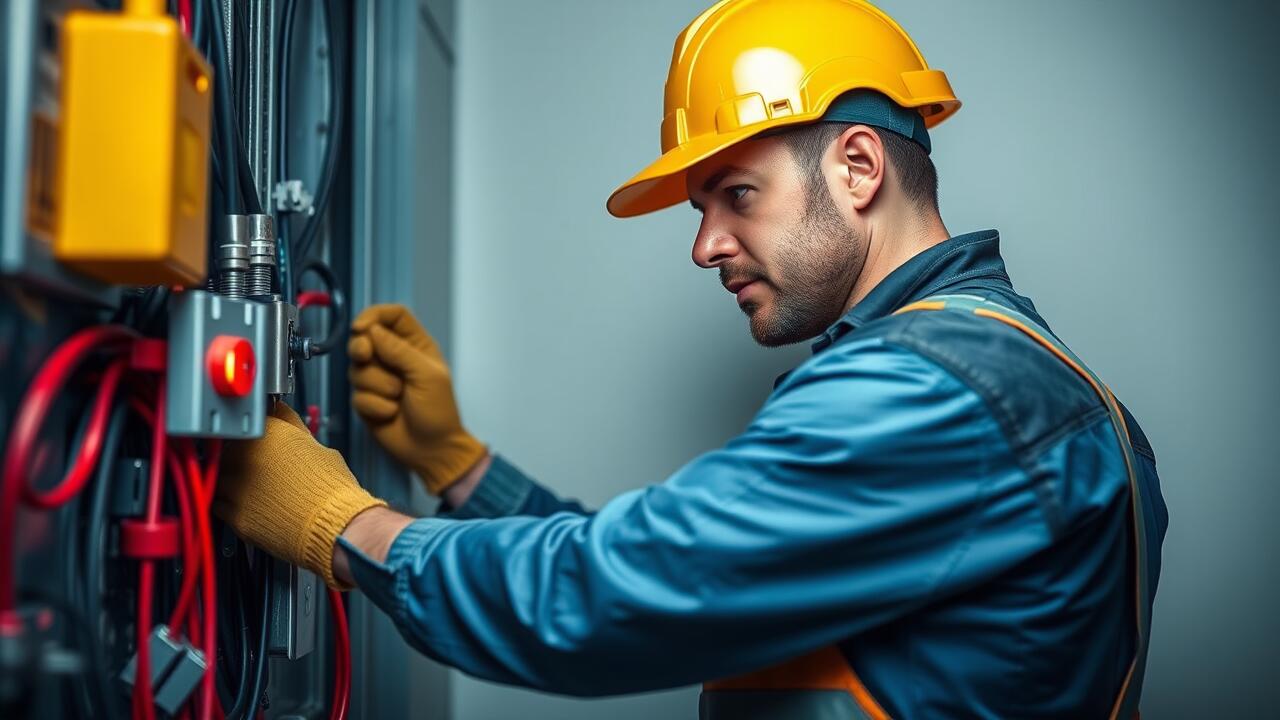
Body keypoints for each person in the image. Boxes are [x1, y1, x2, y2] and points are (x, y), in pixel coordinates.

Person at [215, 0, 1168, 717]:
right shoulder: (989, 373)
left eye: (737, 194)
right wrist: (459, 466)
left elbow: (619, 593)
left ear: (860, 167)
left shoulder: (937, 387)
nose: (705, 245)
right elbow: (705, 577)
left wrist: (344, 527)